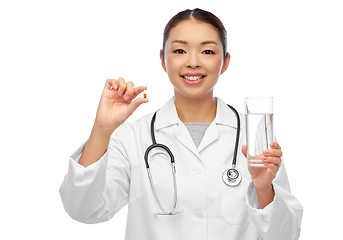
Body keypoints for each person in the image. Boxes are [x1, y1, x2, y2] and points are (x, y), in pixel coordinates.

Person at [60, 8, 303, 240]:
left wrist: (263, 189)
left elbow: (285, 235)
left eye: (207, 51)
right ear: (163, 60)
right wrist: (102, 130)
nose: (193, 62)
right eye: (179, 51)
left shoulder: (255, 139)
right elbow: (83, 210)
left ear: (225, 62)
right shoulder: (134, 138)